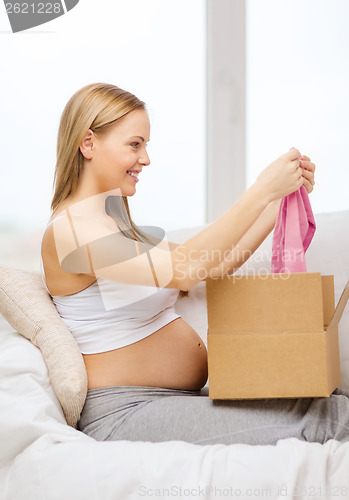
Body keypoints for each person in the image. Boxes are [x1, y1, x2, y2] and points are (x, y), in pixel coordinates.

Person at [41, 82, 349, 446]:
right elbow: (186, 268)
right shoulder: (70, 233)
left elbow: (212, 266)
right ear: (88, 143)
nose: (146, 159)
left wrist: (276, 204)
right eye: (135, 144)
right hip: (126, 412)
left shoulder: (117, 227)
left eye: (146, 145)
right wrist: (261, 190)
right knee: (328, 420)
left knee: (328, 405)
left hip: (162, 402)